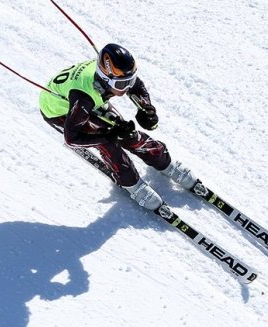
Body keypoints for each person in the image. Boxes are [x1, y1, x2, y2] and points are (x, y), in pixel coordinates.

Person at [39, 43, 198, 211]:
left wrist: (145, 108)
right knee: (109, 143)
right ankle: (132, 184)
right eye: (122, 85)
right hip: (60, 112)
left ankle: (164, 162)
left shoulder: (109, 80)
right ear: (106, 79)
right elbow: (71, 138)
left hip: (92, 100)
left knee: (128, 134)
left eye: (130, 80)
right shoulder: (83, 97)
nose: (128, 87)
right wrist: (107, 135)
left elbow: (136, 86)